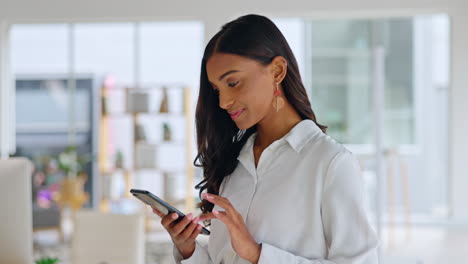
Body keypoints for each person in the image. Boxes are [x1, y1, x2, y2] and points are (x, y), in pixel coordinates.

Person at [151, 14, 380, 264]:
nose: (223, 102)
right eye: (217, 89)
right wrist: (188, 250)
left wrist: (257, 254)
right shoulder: (233, 164)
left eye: (233, 82)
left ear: (277, 71)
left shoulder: (330, 163)